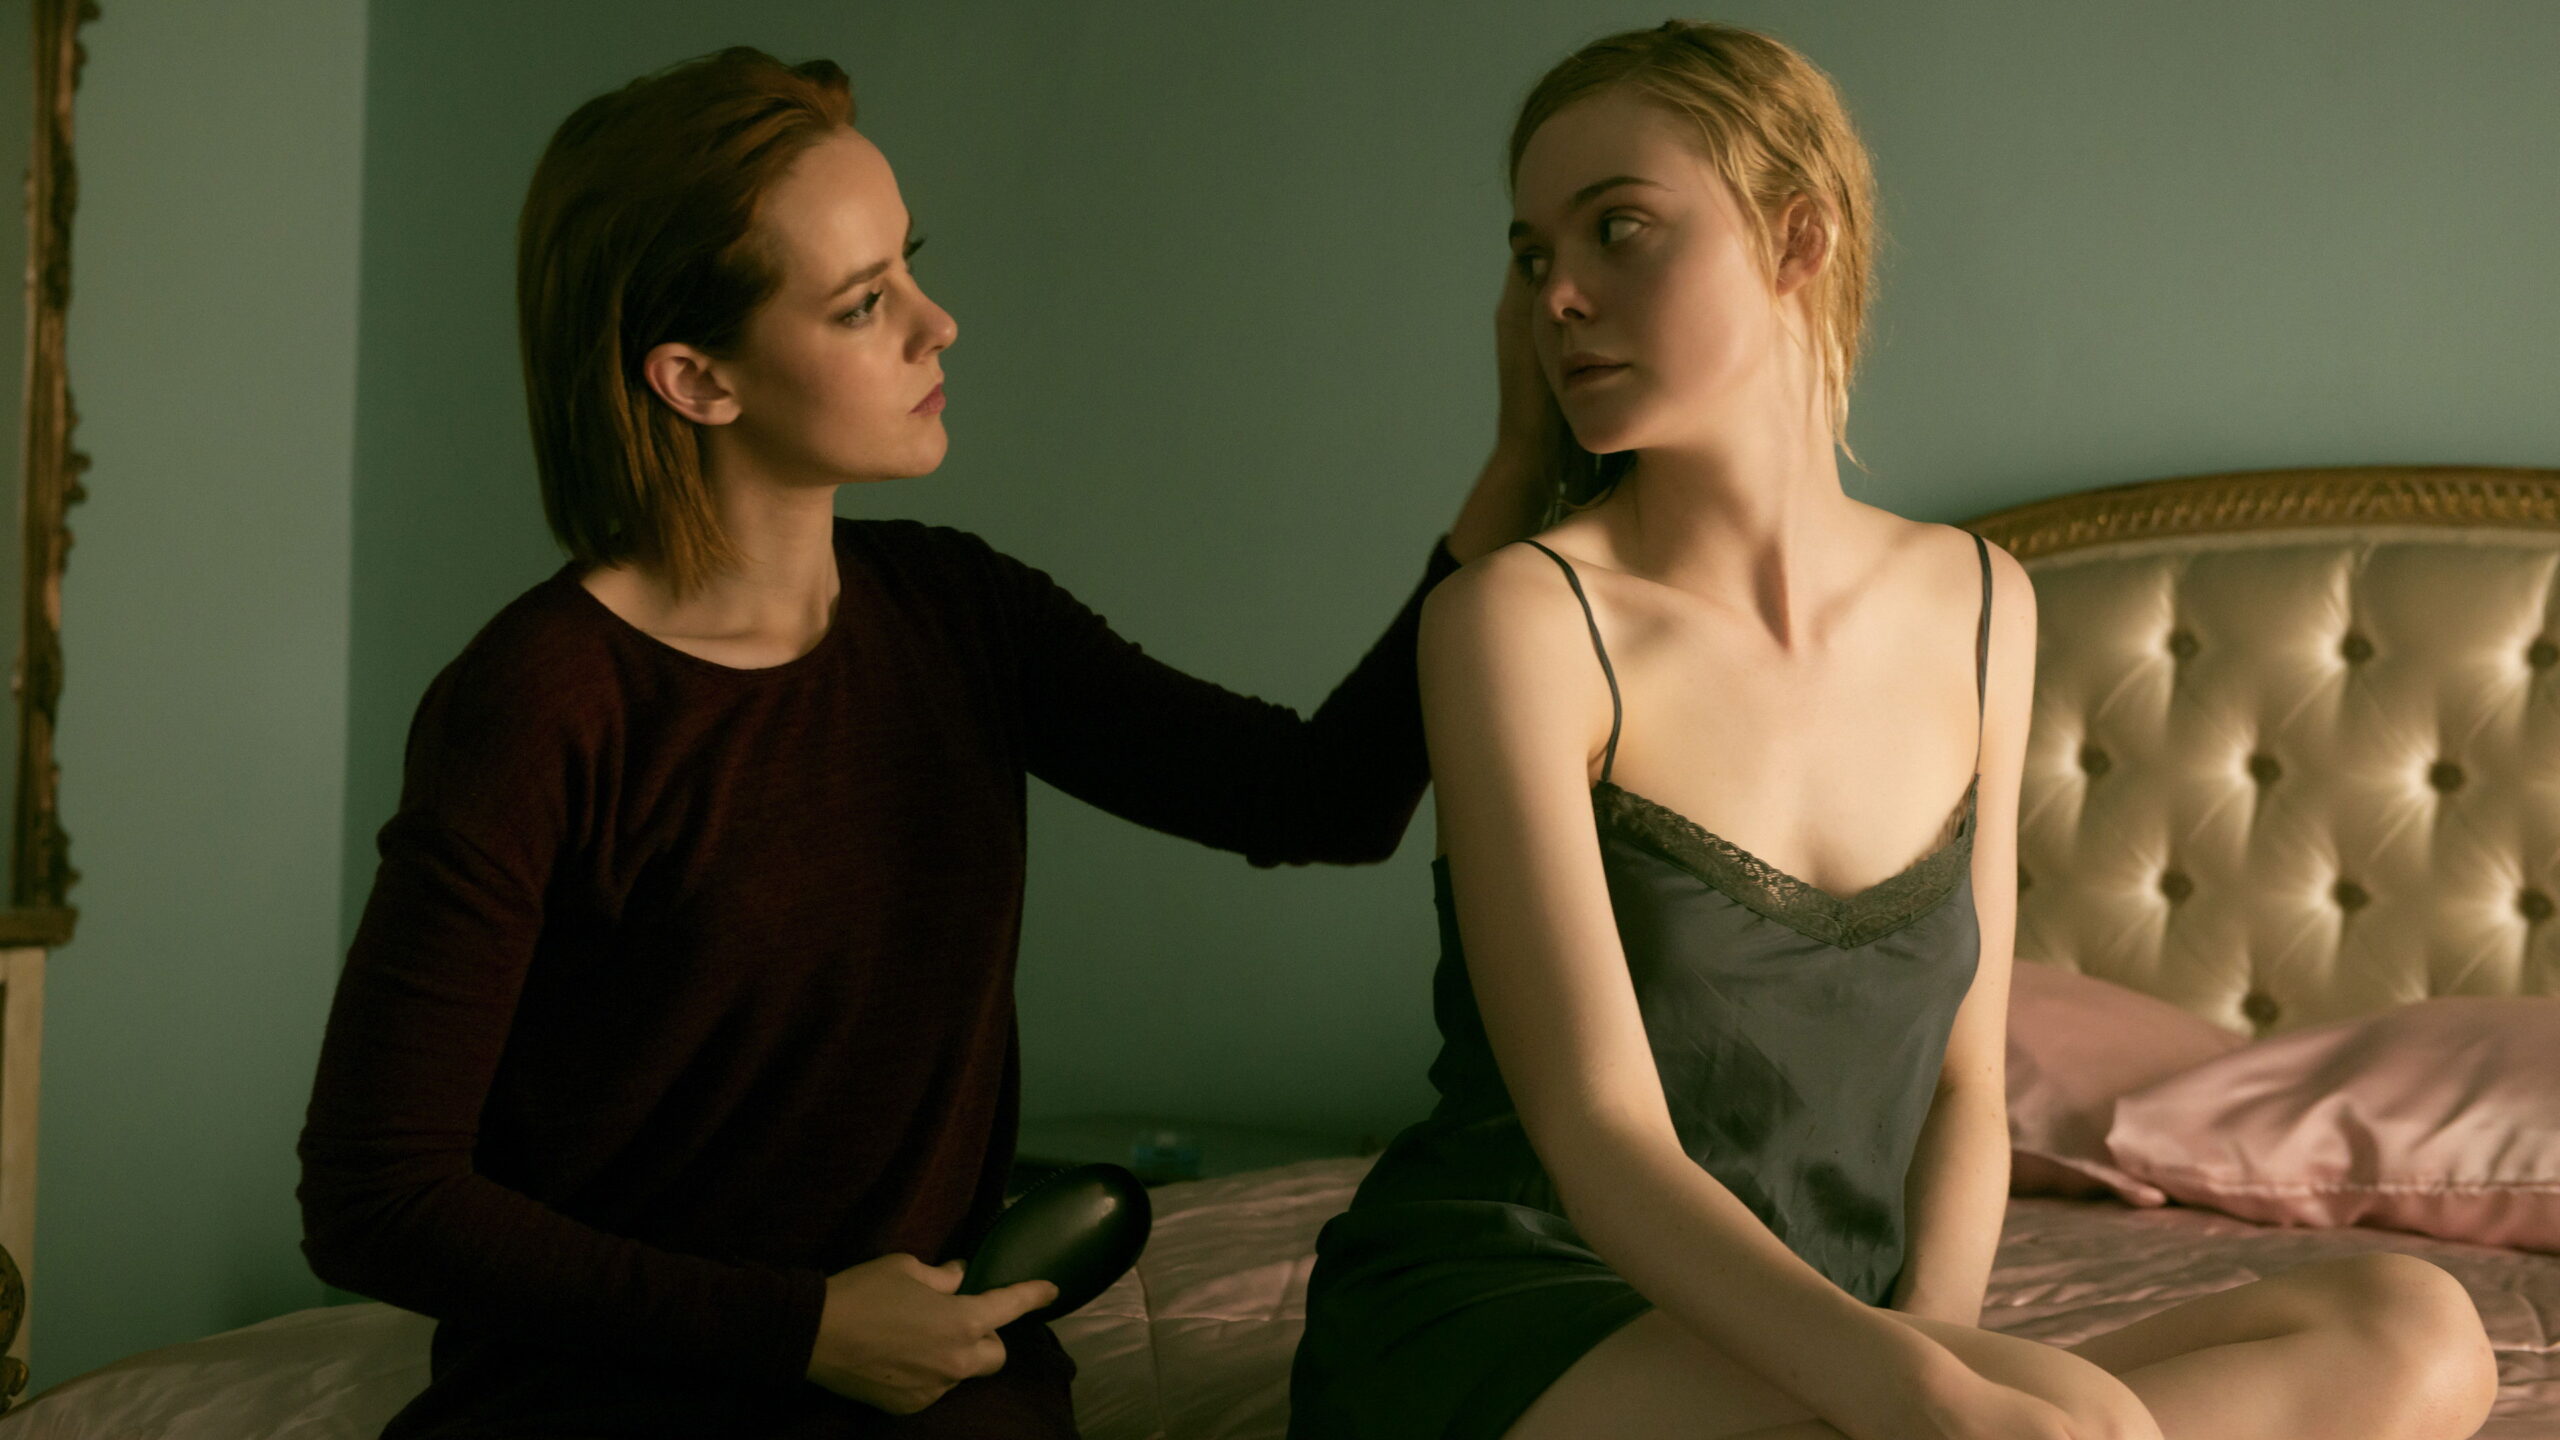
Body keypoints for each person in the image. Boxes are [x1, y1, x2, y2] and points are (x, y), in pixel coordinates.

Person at [296, 47, 1545, 1439]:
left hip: (947, 1391)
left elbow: (1321, 797)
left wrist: (1517, 464)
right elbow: (375, 1196)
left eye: (912, 267)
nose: (938, 325)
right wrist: (802, 1332)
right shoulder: (540, 700)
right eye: (863, 303)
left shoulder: (961, 615)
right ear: (697, 378)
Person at [1289, 20, 2501, 1440]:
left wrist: (1929, 1356)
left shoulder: (1980, 603)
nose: (1557, 293)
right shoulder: (1520, 623)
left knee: (2418, 1333)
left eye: (1618, 229)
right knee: (2079, 1424)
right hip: (1519, 1312)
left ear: (1796, 238)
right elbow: (1597, 1138)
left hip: (1843, 1326)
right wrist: (1926, 1396)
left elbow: (1969, 1085)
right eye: (1531, 252)